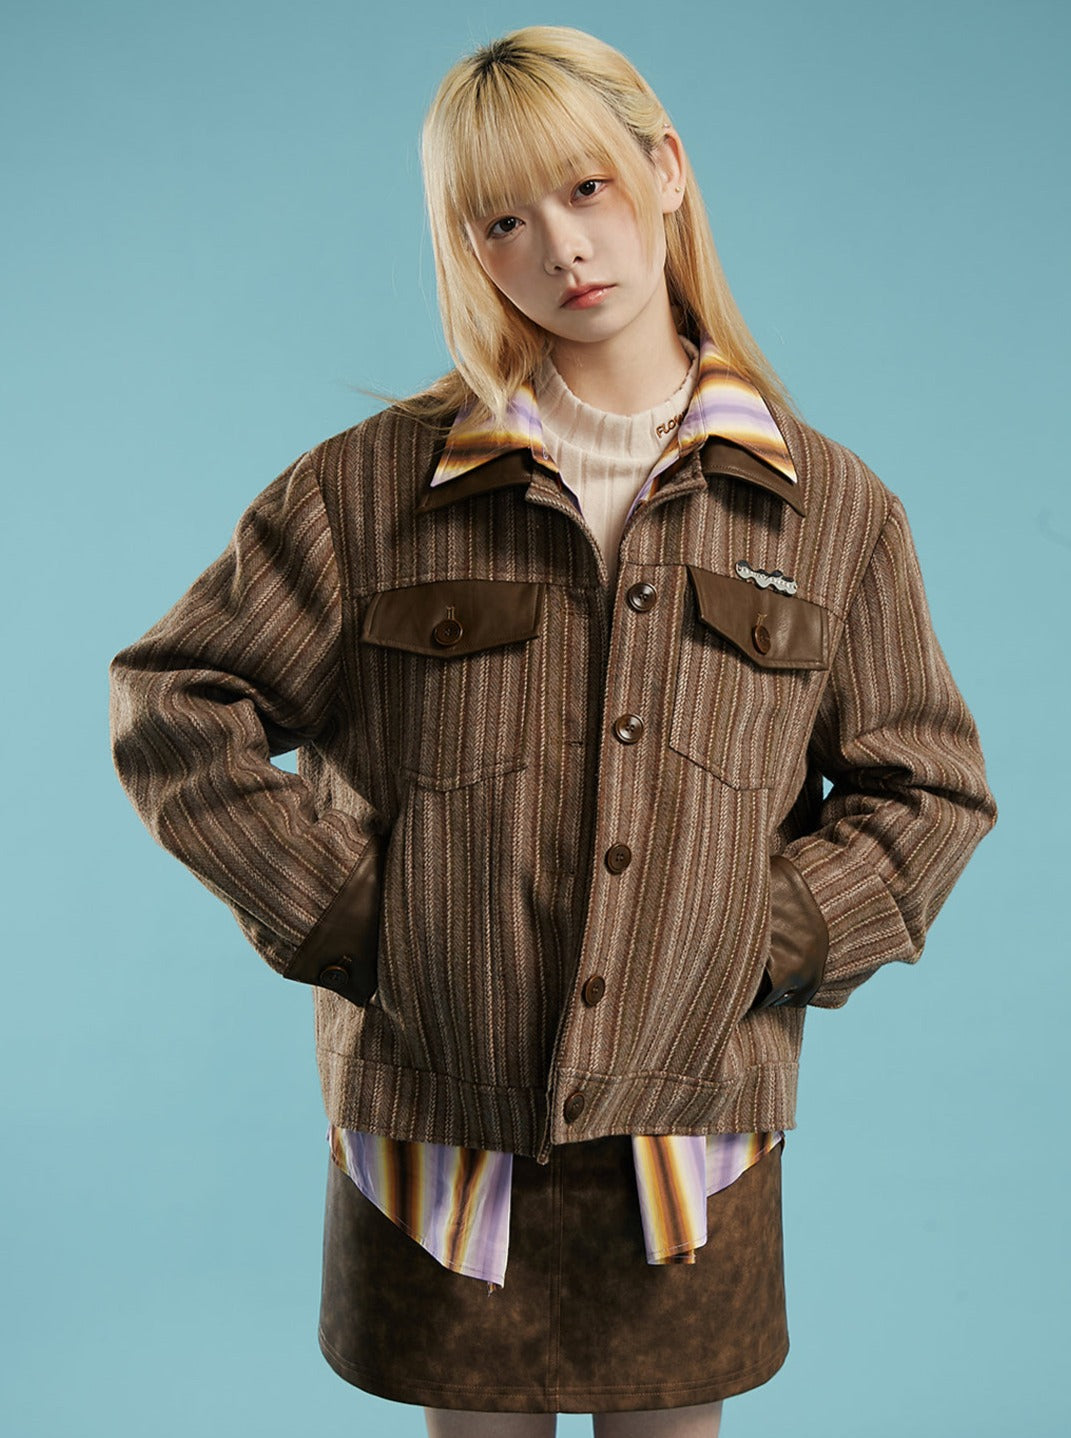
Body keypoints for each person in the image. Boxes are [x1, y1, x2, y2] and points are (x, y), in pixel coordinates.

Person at [109, 24, 997, 1438]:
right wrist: (348, 912)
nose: (563, 248)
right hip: (437, 1122)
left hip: (691, 1136)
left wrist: (767, 932)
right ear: (469, 249)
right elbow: (175, 702)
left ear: (666, 171)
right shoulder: (368, 494)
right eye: (503, 220)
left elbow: (930, 787)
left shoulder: (832, 515)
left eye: (587, 189)